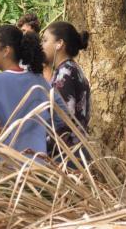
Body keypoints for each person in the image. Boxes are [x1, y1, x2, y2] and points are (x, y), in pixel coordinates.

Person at [0, 25, 53, 156]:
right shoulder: (40, 81)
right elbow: (61, 114)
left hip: (4, 163)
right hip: (36, 163)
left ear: (6, 50)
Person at [41, 21, 90, 154]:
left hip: (66, 154)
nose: (41, 45)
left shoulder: (65, 73)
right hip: (75, 150)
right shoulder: (71, 68)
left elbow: (63, 120)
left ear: (59, 44)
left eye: (45, 40)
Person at [17, 13, 52, 82]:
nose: (23, 34)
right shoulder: (20, 49)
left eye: (24, 31)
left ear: (34, 30)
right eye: (22, 31)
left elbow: (47, 80)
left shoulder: (44, 51)